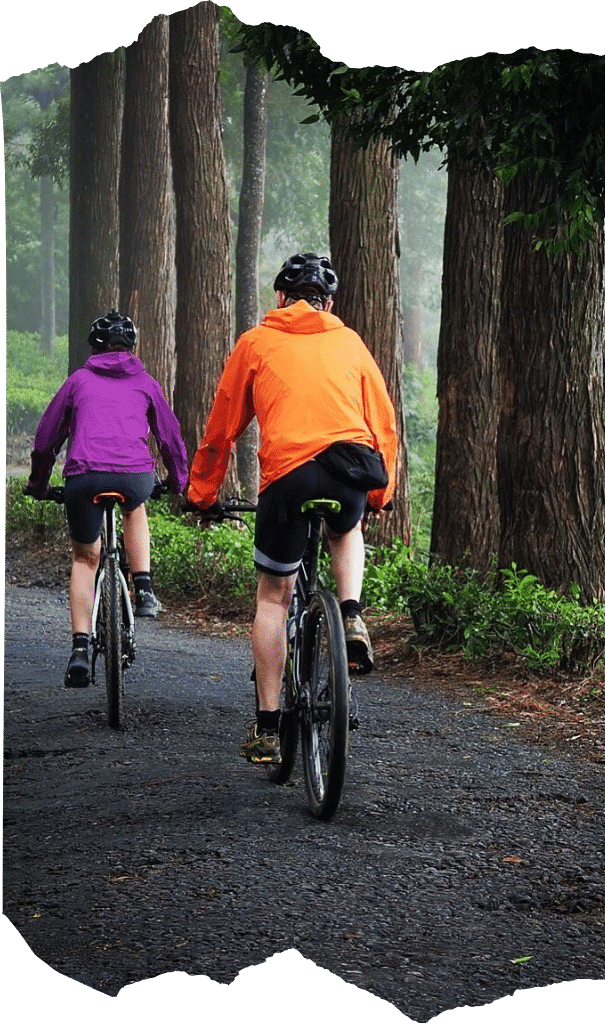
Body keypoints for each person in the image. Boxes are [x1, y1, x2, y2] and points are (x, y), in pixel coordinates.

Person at [185, 253, 398, 765]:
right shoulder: (350, 342)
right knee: (346, 531)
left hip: (287, 475)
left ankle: (267, 726)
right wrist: (377, 494)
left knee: (274, 596)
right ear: (329, 303)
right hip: (351, 464)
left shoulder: (256, 342)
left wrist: (202, 492)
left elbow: (222, 427)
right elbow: (384, 423)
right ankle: (350, 614)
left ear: (281, 297)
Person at [24, 311, 189, 688]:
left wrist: (39, 485)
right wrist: (178, 483)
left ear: (94, 348)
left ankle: (80, 650)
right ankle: (144, 589)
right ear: (132, 347)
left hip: (84, 477)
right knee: (136, 507)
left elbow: (46, 439)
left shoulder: (77, 382)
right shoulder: (146, 383)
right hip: (134, 475)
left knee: (85, 558)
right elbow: (171, 440)